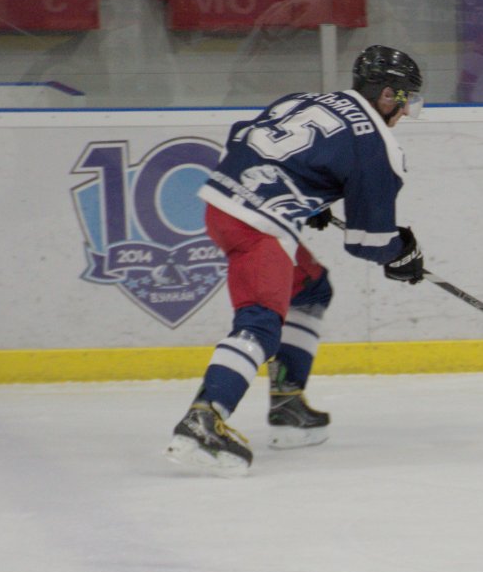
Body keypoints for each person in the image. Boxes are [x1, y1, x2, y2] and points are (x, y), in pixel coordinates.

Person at [166, 44, 427, 474]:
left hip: (222, 202)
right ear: (387, 95)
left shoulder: (308, 99)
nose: (405, 111)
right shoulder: (378, 148)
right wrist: (403, 253)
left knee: (311, 289)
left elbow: (242, 135)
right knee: (260, 322)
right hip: (258, 225)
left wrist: (304, 193)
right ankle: (203, 420)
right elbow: (368, 242)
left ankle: (287, 403)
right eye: (407, 100)